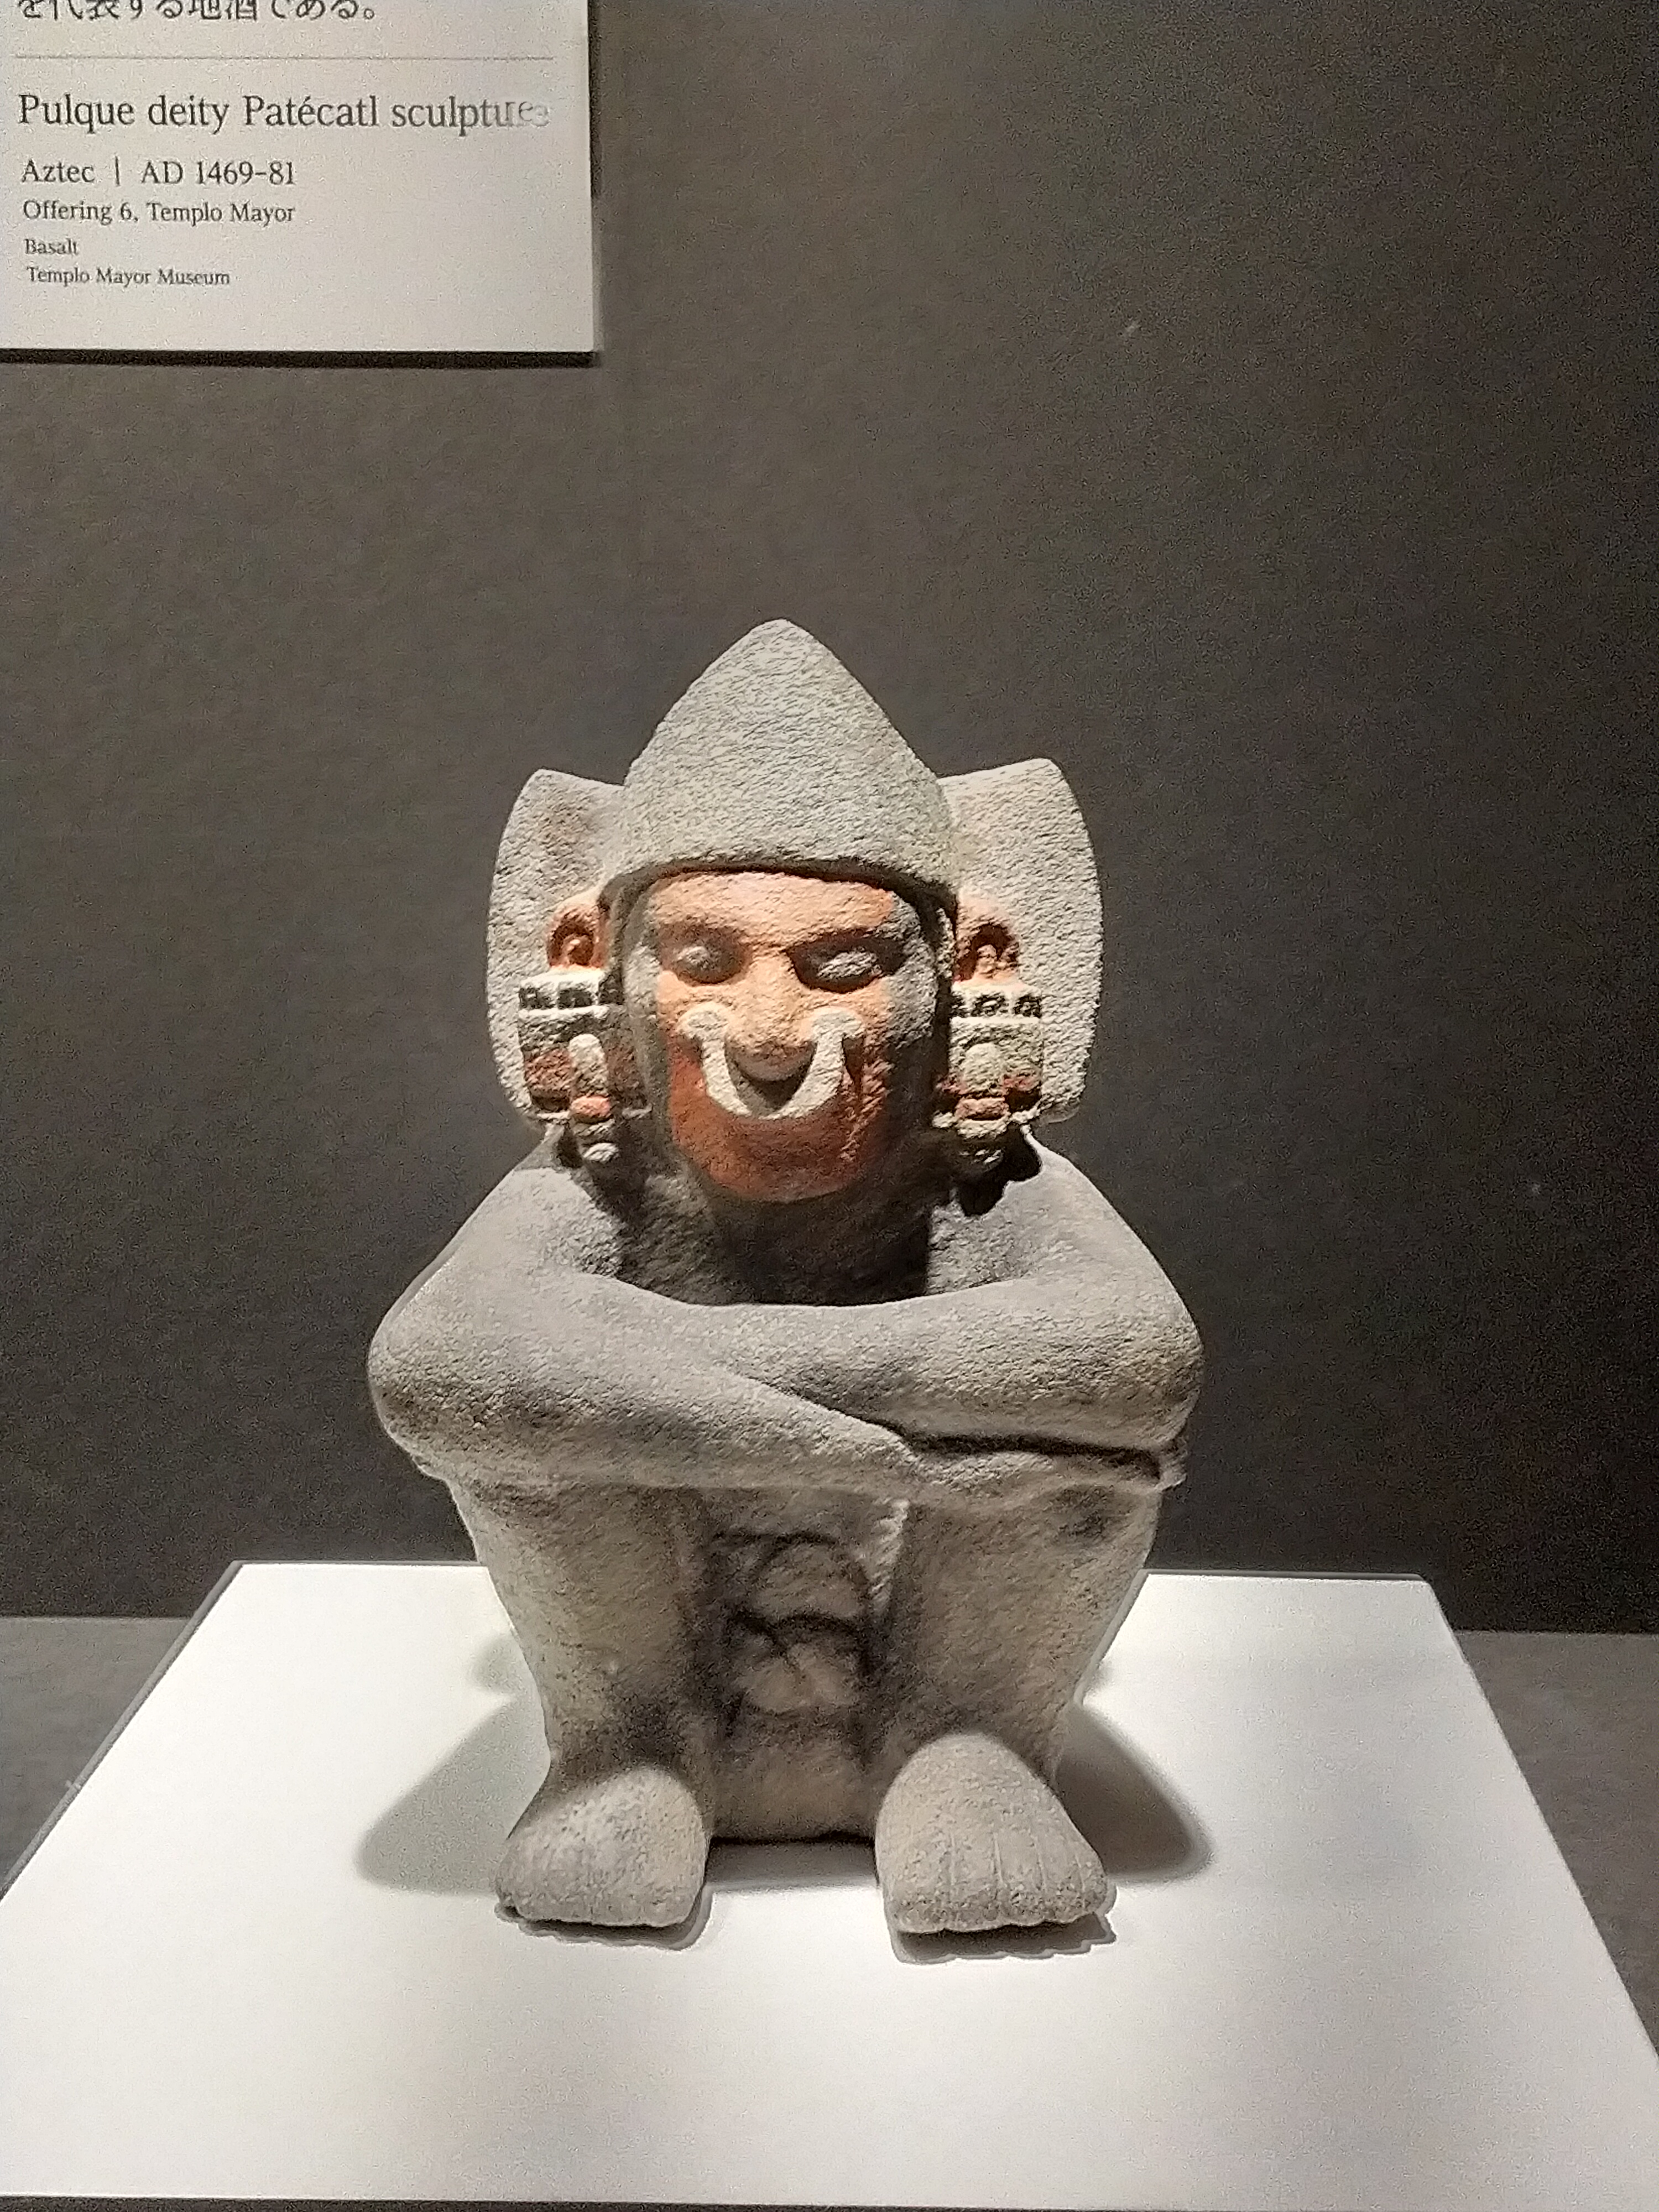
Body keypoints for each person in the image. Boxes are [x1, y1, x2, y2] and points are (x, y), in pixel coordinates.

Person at [369, 621, 1199, 1934]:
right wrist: (913, 1449)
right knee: (509, 1420)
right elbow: (435, 1369)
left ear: (967, 974)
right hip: (650, 1657)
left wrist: (622, 1381)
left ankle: (962, 1745)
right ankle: (634, 1748)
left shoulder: (983, 1177)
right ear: (597, 966)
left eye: (845, 967)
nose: (767, 1032)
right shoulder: (601, 1176)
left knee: (1089, 1449)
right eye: (701, 958)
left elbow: (1139, 1359)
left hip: (951, 1642)